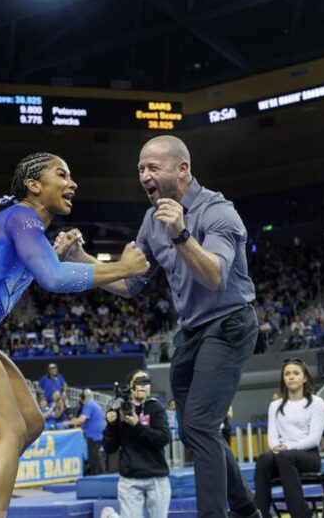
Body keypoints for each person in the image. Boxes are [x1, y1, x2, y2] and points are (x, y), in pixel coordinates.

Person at [0, 152, 150, 518]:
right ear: (34, 185)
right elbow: (53, 279)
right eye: (62, 174)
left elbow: (35, 276)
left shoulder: (25, 225)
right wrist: (122, 267)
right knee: (6, 431)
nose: (73, 183)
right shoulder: (22, 216)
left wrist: (56, 257)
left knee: (30, 422)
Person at [57, 136, 260, 518]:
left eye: (153, 167)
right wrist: (80, 258)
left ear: (182, 169)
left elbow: (215, 276)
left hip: (230, 323)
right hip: (191, 332)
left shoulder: (219, 212)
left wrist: (182, 234)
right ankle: (247, 510)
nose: (144, 176)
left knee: (200, 425)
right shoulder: (151, 220)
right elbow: (129, 282)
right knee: (198, 430)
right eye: (140, 169)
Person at [254, 360, 324, 518]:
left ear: (305, 378)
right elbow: (272, 438)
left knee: (285, 458)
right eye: (287, 374)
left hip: (309, 457)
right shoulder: (275, 406)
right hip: (283, 456)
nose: (291, 377)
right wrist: (277, 448)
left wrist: (287, 447)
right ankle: (260, 514)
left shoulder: (316, 403)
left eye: (296, 373)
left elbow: (314, 439)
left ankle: (300, 515)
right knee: (264, 459)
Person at [103, 370, 171, 518]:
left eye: (145, 382)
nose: (142, 386)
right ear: (129, 387)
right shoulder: (119, 410)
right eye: (138, 382)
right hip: (130, 480)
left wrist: (137, 425)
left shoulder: (156, 408)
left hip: (157, 477)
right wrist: (111, 425)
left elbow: (163, 439)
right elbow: (109, 448)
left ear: (150, 388)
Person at [64, 389, 106, 475]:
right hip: (98, 435)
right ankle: (100, 476)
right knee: (96, 457)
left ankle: (99, 477)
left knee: (94, 459)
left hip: (93, 436)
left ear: (84, 397)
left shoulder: (89, 405)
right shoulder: (95, 405)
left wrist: (68, 422)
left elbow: (81, 420)